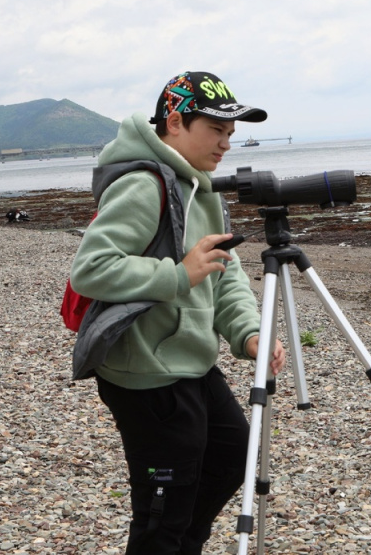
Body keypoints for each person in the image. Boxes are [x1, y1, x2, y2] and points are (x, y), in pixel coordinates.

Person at [68, 70, 286, 554]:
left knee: (232, 459)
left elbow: (224, 273)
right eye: (216, 129)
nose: (226, 143)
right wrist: (176, 275)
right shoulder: (144, 185)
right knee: (162, 510)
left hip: (190, 363)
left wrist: (249, 333)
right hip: (145, 373)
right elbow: (91, 268)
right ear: (174, 122)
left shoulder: (202, 189)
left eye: (230, 133)